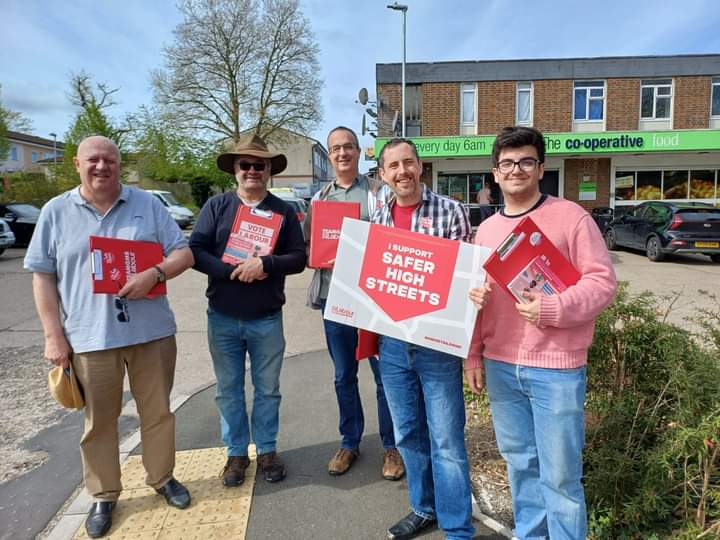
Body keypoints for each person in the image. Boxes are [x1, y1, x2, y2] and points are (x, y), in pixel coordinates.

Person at [24, 136, 195, 538]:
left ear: (120, 165)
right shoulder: (56, 212)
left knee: (158, 413)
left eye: (110, 160)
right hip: (89, 337)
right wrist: (53, 336)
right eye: (93, 160)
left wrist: (155, 273)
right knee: (99, 422)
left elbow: (183, 253)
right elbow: (43, 277)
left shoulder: (148, 205)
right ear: (76, 164)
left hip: (151, 333)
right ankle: (104, 494)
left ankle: (162, 478)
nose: (102, 167)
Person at [466, 126, 617, 540]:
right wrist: (473, 355)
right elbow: (480, 301)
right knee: (521, 468)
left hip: (557, 370)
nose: (517, 169)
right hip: (501, 366)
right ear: (495, 173)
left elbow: (602, 283)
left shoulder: (571, 217)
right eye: (507, 163)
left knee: (562, 479)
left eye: (526, 161)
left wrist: (552, 308)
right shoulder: (487, 231)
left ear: (541, 168)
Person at [373, 138, 475, 540]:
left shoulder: (450, 211)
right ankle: (423, 507)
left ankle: (457, 527)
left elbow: (464, 278)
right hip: (393, 345)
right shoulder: (378, 216)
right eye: (393, 166)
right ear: (383, 174)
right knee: (408, 434)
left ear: (421, 166)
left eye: (408, 163)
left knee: (447, 438)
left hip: (436, 344)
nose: (403, 172)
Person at [189, 134, 305, 487]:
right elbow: (196, 249)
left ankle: (267, 450)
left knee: (268, 389)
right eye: (246, 165)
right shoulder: (216, 207)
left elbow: (299, 258)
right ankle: (236, 454)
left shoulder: (282, 211)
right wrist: (232, 270)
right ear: (235, 170)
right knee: (228, 389)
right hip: (222, 316)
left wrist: (265, 264)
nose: (252, 170)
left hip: (266, 318)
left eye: (260, 165)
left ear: (269, 171)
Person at [305, 126, 403, 480]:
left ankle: (392, 446)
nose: (342, 153)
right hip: (336, 301)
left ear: (359, 151)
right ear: (329, 156)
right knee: (344, 375)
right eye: (335, 149)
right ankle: (350, 441)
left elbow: (394, 241)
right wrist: (317, 255)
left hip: (374, 303)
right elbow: (308, 249)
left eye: (348, 147)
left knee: (384, 377)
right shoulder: (319, 199)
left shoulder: (380, 193)